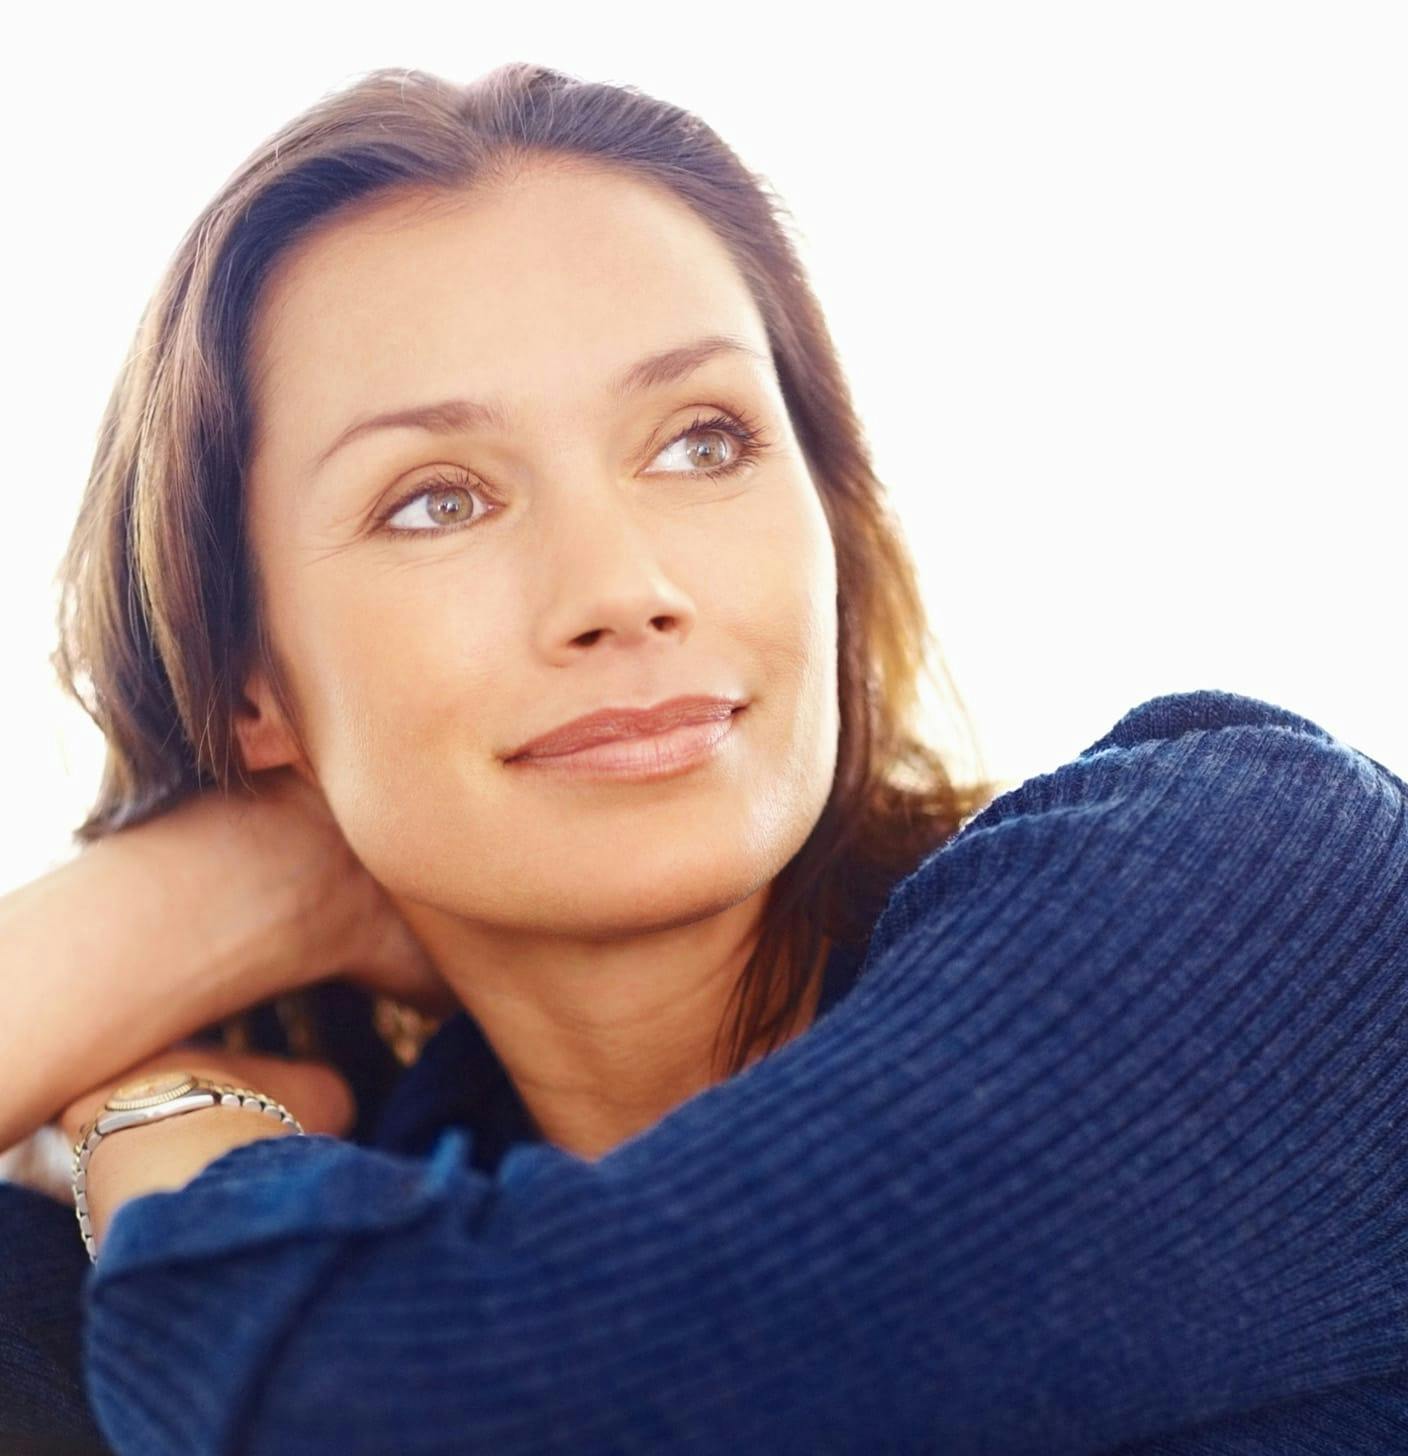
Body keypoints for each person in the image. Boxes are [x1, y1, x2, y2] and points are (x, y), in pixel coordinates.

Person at [3, 61, 1407, 1456]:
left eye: (701, 440)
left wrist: (164, 1118)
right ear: (254, 687)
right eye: (439, 500)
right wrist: (225, 892)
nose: (623, 584)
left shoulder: (1253, 890)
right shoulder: (280, 1227)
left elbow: (404, 1411)